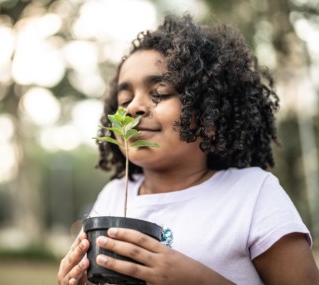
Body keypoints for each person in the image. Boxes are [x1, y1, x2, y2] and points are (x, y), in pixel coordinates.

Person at [58, 13, 319, 284]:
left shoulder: (253, 194)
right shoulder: (112, 195)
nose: (133, 107)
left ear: (209, 117)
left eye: (159, 93)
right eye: (124, 99)